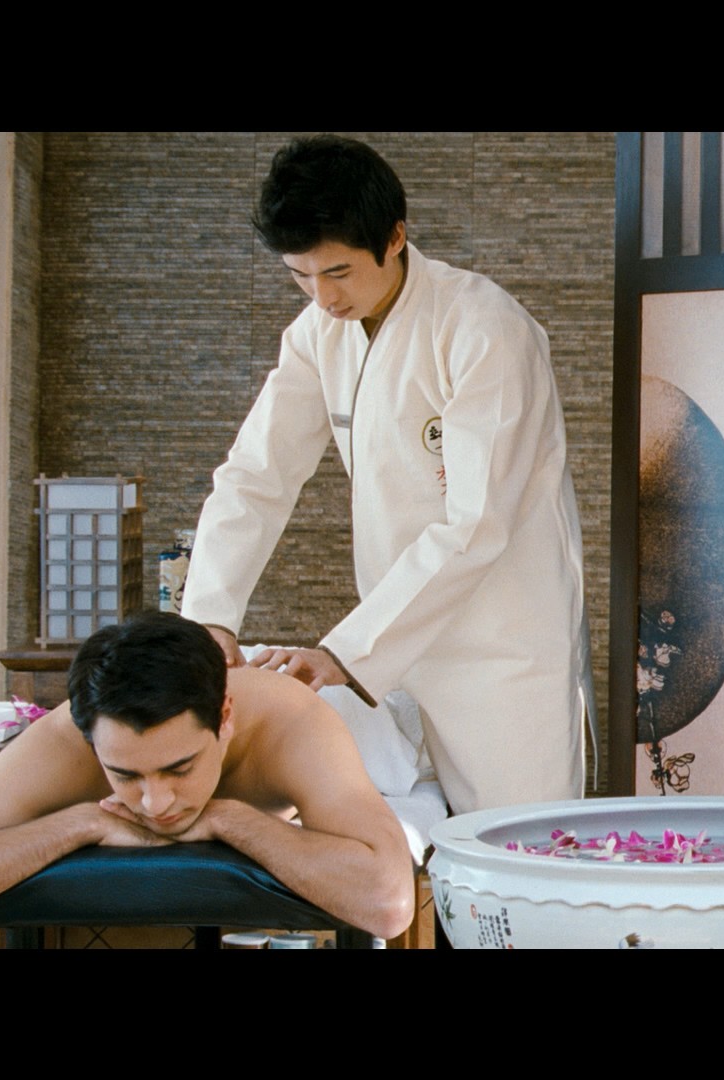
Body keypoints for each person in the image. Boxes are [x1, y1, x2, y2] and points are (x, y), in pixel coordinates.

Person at [182, 135, 587, 814]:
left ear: (395, 237)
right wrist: (208, 619)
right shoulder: (316, 334)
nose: (322, 297)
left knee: (515, 850)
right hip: (394, 647)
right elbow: (256, 476)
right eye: (301, 276)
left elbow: (476, 522)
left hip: (499, 651)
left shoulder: (482, 327)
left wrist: (346, 652)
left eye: (338, 272)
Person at [0, 613, 415, 940]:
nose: (155, 804)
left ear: (224, 719)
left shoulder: (292, 721)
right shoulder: (66, 738)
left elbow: (389, 904)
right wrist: (79, 824)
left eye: (180, 768)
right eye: (124, 775)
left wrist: (227, 817)